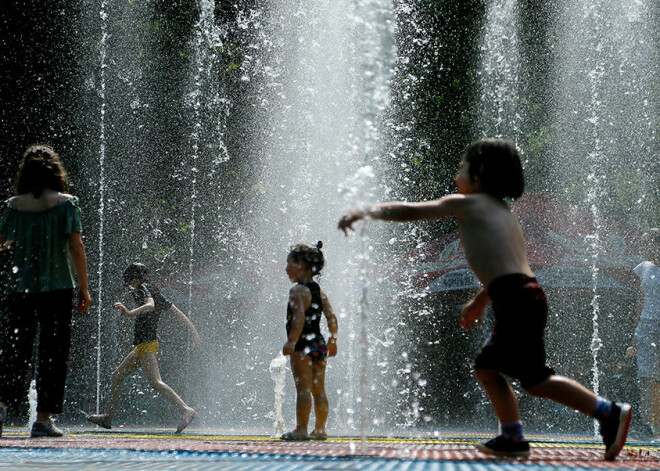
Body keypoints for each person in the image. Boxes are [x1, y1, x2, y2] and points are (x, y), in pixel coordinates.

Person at [338, 138, 631, 460]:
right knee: (495, 368)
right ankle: (515, 436)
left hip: (515, 297)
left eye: (462, 167)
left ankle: (606, 412)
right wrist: (481, 300)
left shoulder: (471, 204)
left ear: (479, 174)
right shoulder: (504, 214)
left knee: (530, 377)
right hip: (521, 294)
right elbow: (507, 268)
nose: (456, 175)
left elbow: (413, 211)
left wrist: (366, 211)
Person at [0, 144, 92, 437]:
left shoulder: (14, 205)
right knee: (53, 352)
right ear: (56, 171)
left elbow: (0, 241)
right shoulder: (67, 204)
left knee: (16, 351)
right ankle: (42, 419)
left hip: (20, 290)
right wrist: (84, 288)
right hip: (58, 288)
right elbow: (76, 246)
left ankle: (0, 405)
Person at [86, 262, 199, 433]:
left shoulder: (144, 288)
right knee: (118, 376)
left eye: (129, 283)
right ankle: (107, 418)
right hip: (142, 346)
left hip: (147, 345)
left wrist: (130, 312)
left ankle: (186, 410)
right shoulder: (154, 290)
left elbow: (150, 305)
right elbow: (175, 310)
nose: (129, 288)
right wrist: (193, 330)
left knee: (155, 382)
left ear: (134, 279)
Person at [281, 242, 338, 440]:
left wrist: (291, 341)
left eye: (288, 263)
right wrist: (333, 340)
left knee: (303, 389)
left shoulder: (297, 291)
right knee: (319, 389)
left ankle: (301, 429)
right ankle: (321, 429)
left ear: (300, 265)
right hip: (319, 345)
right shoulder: (319, 291)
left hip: (302, 346)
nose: (285, 268)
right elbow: (331, 317)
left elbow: (298, 318)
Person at [627, 228, 660, 439]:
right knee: (645, 374)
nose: (644, 247)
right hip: (647, 326)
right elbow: (641, 301)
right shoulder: (644, 268)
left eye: (647, 242)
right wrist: (635, 332)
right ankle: (646, 423)